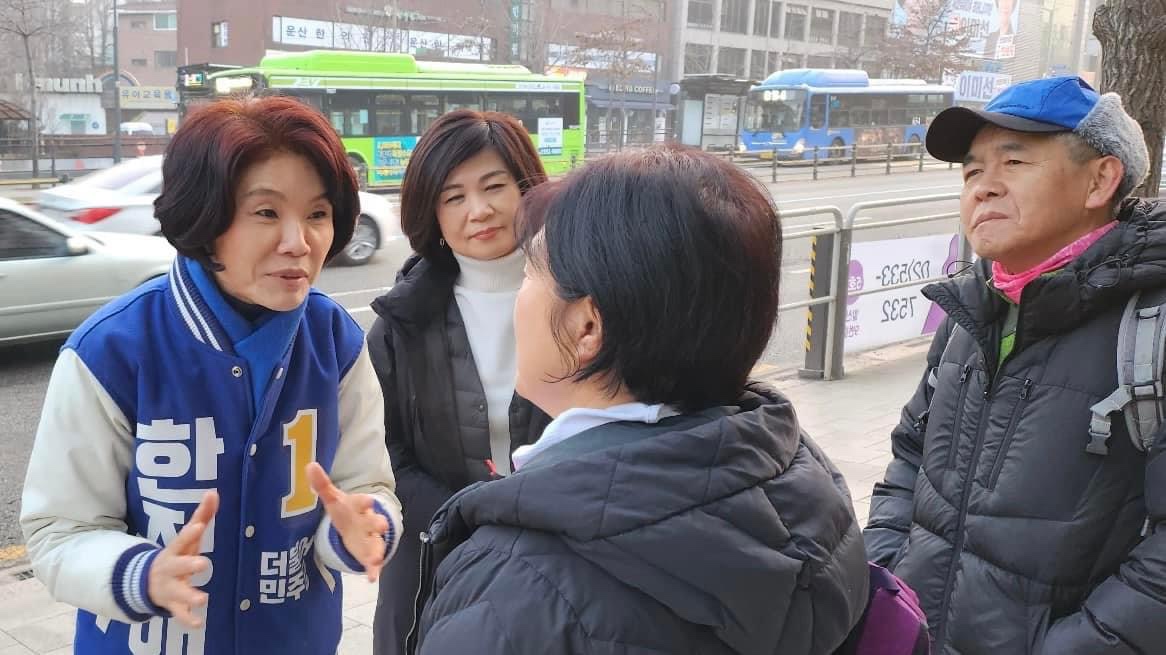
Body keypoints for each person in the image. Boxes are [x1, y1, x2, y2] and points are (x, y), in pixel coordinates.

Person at [412, 145, 870, 654]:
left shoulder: (510, 590)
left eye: (528, 274)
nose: (518, 297)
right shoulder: (808, 486)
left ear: (588, 326)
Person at [20, 95, 404, 655]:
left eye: (317, 214)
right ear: (204, 217)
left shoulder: (335, 341)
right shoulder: (112, 349)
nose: (299, 242)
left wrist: (364, 529)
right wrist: (143, 575)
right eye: (266, 213)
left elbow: (367, 488)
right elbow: (59, 531)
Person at [863, 76, 1166, 653]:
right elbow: (909, 459)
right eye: (972, 172)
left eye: (1015, 162)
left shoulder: (1153, 326)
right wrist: (887, 582)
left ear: (1100, 179)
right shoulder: (972, 309)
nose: (984, 188)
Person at [367, 109, 552, 654]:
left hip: (557, 552)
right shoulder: (402, 322)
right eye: (454, 197)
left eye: (494, 187)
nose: (479, 210)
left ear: (528, 191)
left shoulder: (578, 300)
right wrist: (466, 517)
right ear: (433, 214)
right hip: (433, 557)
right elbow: (378, 452)